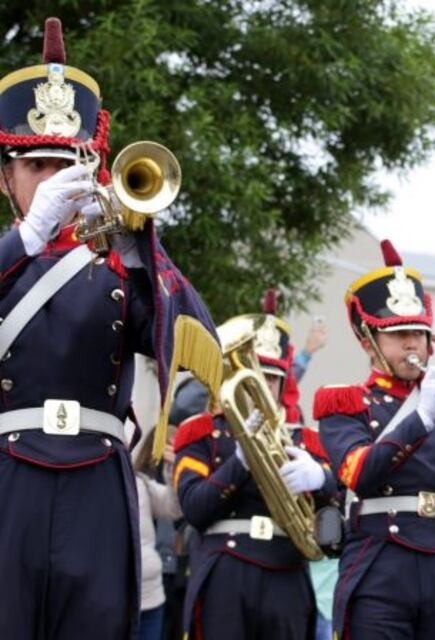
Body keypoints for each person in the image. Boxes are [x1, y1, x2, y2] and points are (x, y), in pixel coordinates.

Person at [0, 17, 217, 639]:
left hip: (96, 475)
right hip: (8, 474)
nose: (52, 180)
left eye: (67, 162)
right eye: (36, 164)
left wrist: (141, 244)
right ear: (7, 177)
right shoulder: (8, 252)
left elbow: (193, 349)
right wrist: (29, 237)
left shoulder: (122, 261)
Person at [316, 239, 435, 639]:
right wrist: (420, 416)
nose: (413, 343)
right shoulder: (346, 402)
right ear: (369, 341)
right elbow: (359, 473)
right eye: (398, 334)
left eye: (419, 332)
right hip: (379, 563)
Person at [173, 312, 335, 639]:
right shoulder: (202, 432)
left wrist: (322, 481)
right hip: (225, 570)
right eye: (254, 375)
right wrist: (240, 461)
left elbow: (335, 527)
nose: (263, 386)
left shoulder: (306, 440)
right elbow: (194, 509)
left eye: (272, 378)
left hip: (287, 575)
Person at [132, 430, 183, 640]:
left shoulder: (139, 482)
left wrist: (173, 472)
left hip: (152, 596)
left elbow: (174, 509)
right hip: (114, 599)